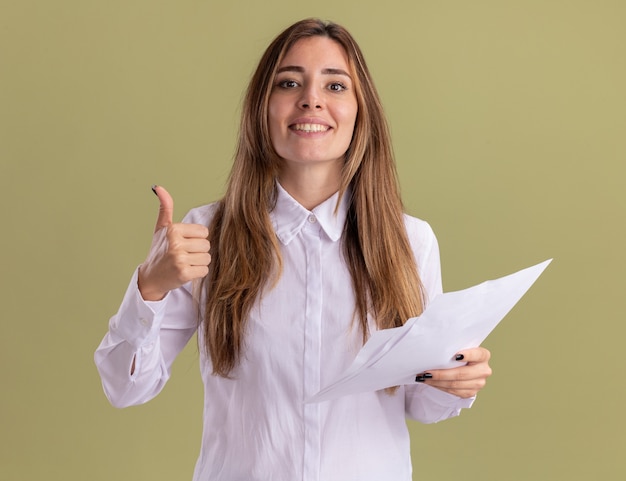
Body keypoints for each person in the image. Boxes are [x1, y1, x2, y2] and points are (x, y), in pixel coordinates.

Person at [95, 18, 492, 481]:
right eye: (289, 82)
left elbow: (421, 405)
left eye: (335, 85)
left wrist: (456, 381)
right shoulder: (207, 235)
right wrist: (151, 287)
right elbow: (124, 387)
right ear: (262, 108)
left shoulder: (409, 241)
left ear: (361, 112)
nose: (312, 99)